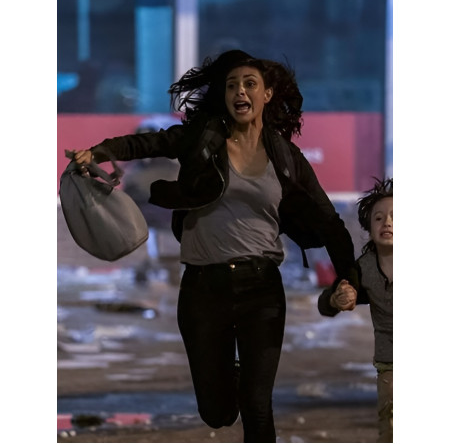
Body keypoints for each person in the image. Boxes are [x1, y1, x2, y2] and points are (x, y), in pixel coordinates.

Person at [72, 49, 359, 443]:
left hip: (262, 289)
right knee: (217, 412)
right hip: (203, 289)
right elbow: (149, 143)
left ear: (267, 95)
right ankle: (231, 378)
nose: (239, 91)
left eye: (249, 84)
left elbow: (329, 221)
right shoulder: (203, 140)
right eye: (231, 85)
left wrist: (349, 278)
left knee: (257, 405)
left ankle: (249, 387)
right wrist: (100, 151)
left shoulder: (286, 157)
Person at [317, 178, 393, 443]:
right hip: (390, 365)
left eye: (396, 217)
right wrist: (337, 299)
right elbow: (325, 303)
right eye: (379, 218)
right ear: (369, 228)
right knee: (392, 429)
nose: (387, 223)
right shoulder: (364, 268)